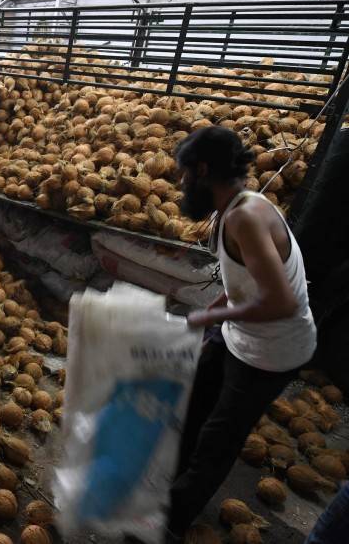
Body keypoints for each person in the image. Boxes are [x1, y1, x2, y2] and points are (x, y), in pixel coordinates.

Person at [165, 126, 316, 540]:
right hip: (238, 334)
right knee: (193, 408)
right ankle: (164, 485)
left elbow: (282, 302)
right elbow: (243, 286)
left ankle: (170, 520)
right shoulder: (231, 209)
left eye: (183, 174)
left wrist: (203, 320)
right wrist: (211, 314)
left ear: (201, 170)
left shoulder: (247, 216)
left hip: (272, 352)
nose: (180, 183)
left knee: (218, 437)